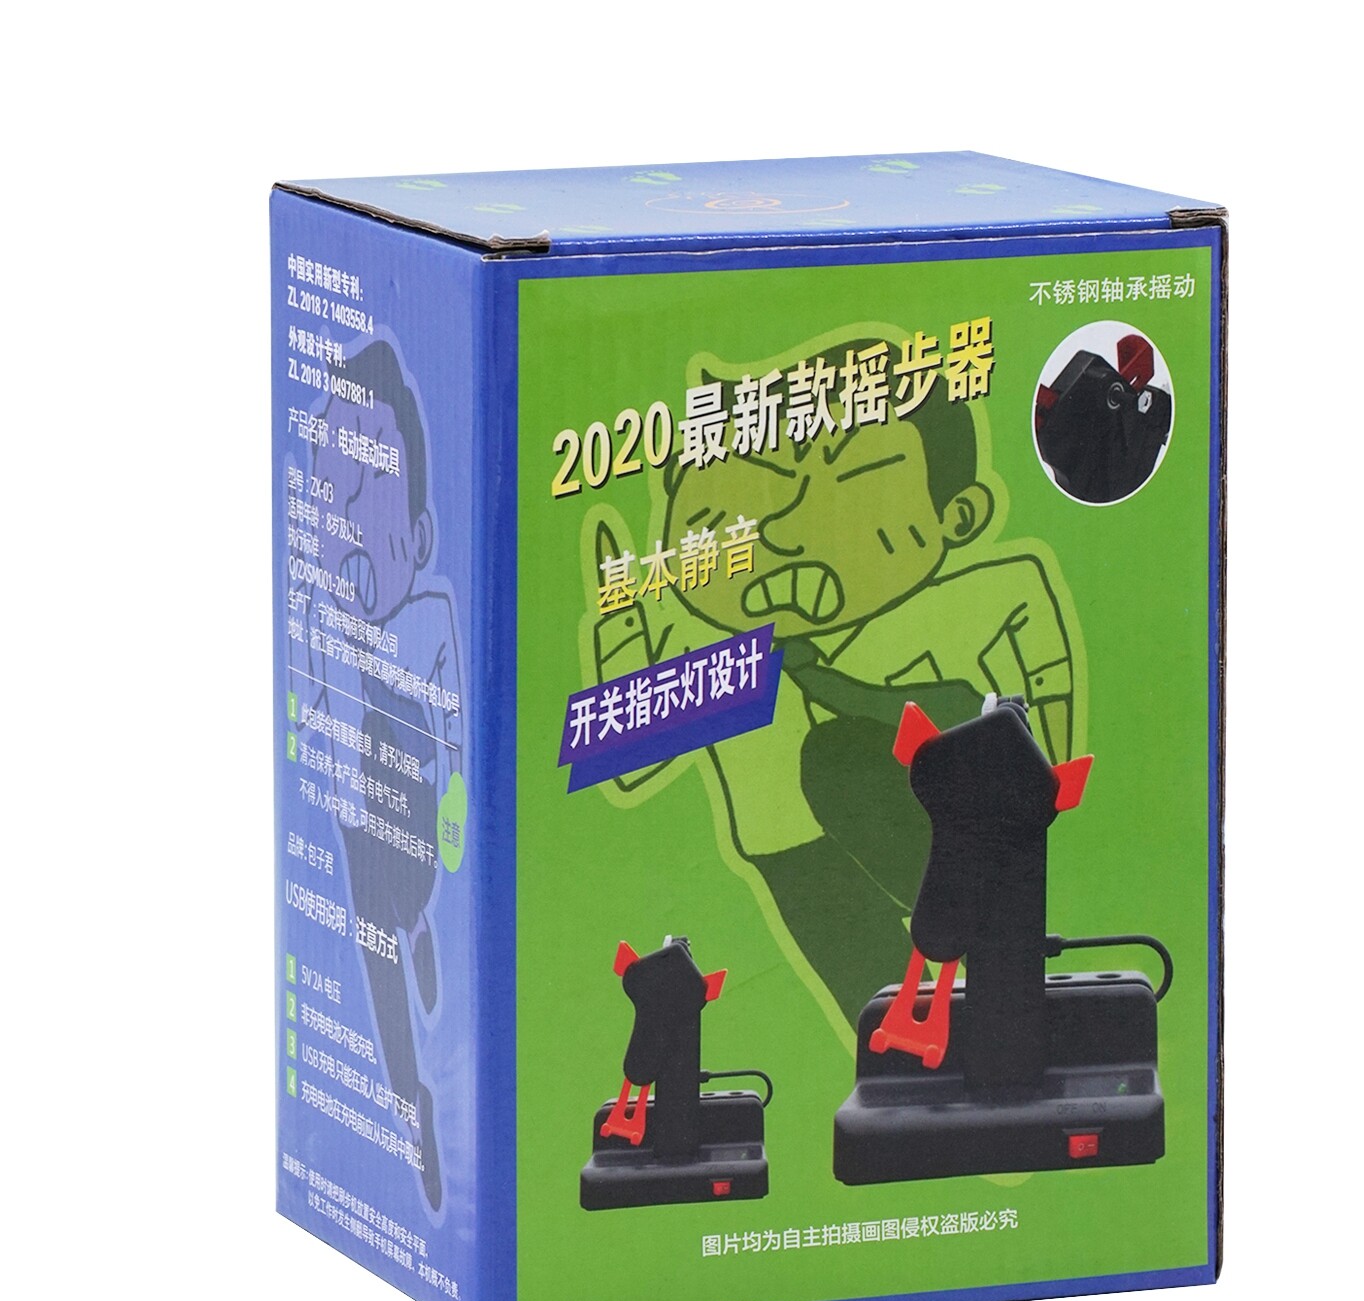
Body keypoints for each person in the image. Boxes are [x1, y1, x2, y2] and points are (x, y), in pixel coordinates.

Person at [585, 334, 1080, 1029]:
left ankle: (1013, 1001)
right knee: (896, 1032)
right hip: (801, 869)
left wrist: (1046, 753)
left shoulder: (951, 610)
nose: (781, 532)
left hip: (932, 825)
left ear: (957, 516)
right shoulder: (722, 670)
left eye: (854, 480)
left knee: (849, 773)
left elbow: (1025, 608)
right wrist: (621, 645)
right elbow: (629, 760)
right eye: (722, 512)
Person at [298, 338, 462, 1211]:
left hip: (418, 800)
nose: (349, 524)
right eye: (331, 494)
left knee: (414, 906)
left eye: (371, 494)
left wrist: (458, 807)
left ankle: (426, 932)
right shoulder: (318, 617)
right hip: (356, 814)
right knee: (375, 952)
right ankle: (409, 1104)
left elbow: (457, 727)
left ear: (421, 537)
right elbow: (305, 703)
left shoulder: (429, 616)